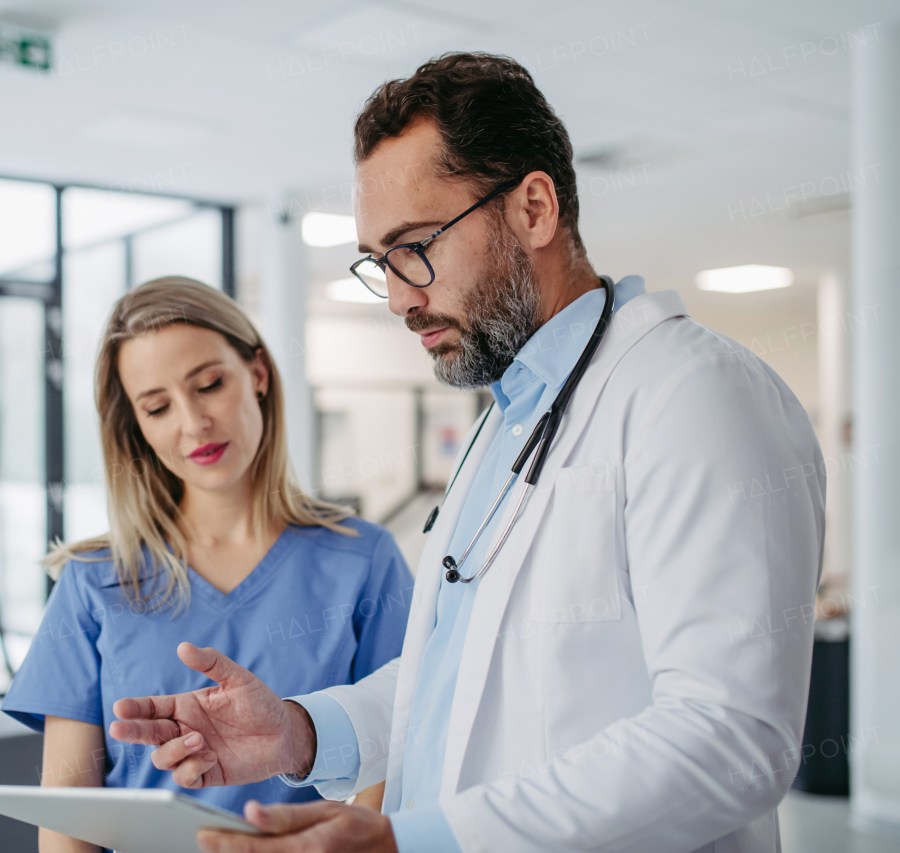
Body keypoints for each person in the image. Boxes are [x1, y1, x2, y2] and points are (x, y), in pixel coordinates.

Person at [109, 54, 825, 853]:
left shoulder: (693, 394)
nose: (398, 298)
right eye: (380, 261)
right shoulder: (505, 420)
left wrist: (418, 839)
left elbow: (730, 738)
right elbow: (459, 680)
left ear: (534, 208)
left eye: (416, 246)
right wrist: (302, 731)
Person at [1, 276, 414, 853]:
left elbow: (394, 757)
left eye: (210, 384)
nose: (193, 423)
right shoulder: (95, 578)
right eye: (158, 406)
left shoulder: (363, 558)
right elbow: (69, 817)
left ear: (259, 374)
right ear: (138, 427)